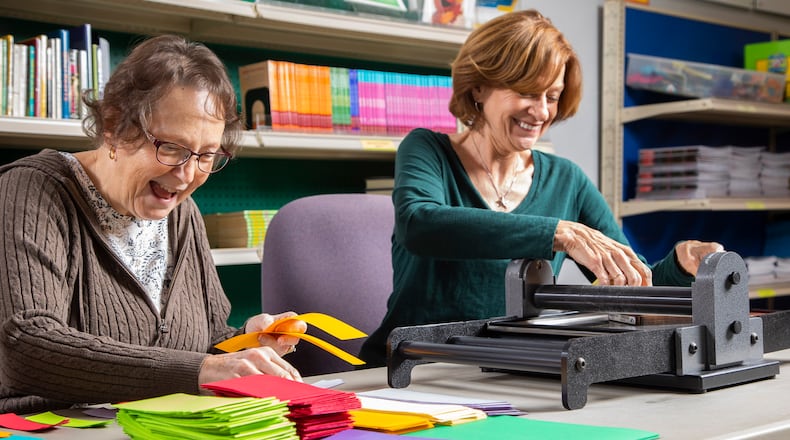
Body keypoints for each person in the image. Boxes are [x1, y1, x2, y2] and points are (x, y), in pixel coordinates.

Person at [359, 10, 723, 366]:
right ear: (480, 87)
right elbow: (419, 224)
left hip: (505, 373)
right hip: (410, 370)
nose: (541, 111)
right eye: (526, 92)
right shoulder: (427, 149)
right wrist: (558, 232)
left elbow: (630, 284)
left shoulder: (568, 179)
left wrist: (680, 264)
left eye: (552, 95)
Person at [0, 35, 307, 414]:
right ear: (114, 126)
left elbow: (202, 345)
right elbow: (26, 348)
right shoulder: (31, 190)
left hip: (162, 424)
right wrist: (205, 369)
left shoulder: (183, 213)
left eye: (207, 155)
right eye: (172, 148)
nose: (187, 174)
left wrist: (243, 345)